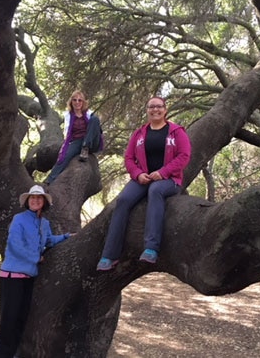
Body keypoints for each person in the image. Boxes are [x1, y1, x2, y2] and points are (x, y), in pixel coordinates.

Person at [96, 96, 191, 271]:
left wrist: (162, 173)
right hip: (142, 179)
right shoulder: (139, 134)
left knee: (155, 190)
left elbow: (184, 156)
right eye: (151, 107)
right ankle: (109, 254)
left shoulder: (177, 132)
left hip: (169, 180)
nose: (155, 110)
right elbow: (129, 158)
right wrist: (138, 174)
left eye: (159, 107)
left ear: (165, 110)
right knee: (123, 200)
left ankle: (151, 248)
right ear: (147, 110)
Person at [0, 184, 71, 358]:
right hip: (11, 277)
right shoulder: (19, 219)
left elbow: (49, 241)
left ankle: (13, 354)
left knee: (21, 319)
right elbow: (14, 245)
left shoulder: (44, 223)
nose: (35, 200)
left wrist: (66, 237)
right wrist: (36, 258)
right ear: (27, 202)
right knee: (9, 321)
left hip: (28, 278)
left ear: (44, 202)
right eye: (32, 198)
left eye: (39, 198)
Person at [44, 90, 103, 184]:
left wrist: (88, 141)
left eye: (80, 100)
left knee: (95, 119)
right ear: (71, 102)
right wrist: (65, 147)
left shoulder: (89, 113)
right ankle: (49, 180)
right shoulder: (68, 115)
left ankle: (85, 146)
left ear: (83, 102)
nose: (77, 102)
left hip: (91, 141)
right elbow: (67, 133)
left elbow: (96, 129)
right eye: (74, 100)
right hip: (77, 141)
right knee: (64, 157)